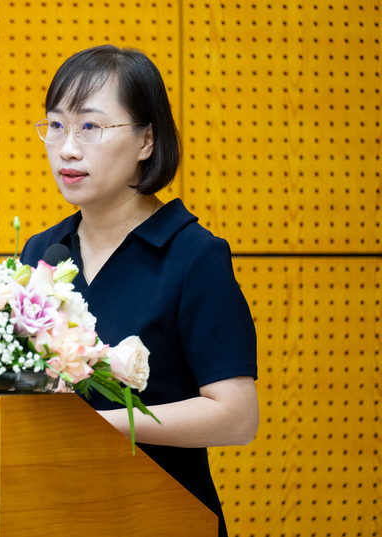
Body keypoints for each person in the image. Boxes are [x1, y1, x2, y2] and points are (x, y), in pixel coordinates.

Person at [20, 44, 259, 537]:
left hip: (162, 518)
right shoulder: (41, 251)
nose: (67, 147)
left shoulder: (193, 255)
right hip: (52, 514)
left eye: (91, 126)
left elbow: (236, 417)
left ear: (146, 140)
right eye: (56, 125)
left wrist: (106, 427)